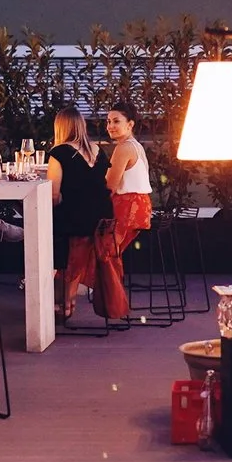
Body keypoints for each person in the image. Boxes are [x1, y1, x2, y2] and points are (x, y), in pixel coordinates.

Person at [47, 106, 115, 320]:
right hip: (102, 219)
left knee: (46, 231)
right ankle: (68, 301)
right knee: (70, 245)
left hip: (76, 220)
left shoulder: (59, 153)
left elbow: (53, 195)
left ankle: (61, 303)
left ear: (60, 127)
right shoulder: (97, 150)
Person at [100, 102, 153, 324]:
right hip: (140, 206)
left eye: (116, 121)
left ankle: (114, 305)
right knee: (109, 250)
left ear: (130, 124)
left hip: (128, 206)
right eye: (108, 122)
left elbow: (109, 185)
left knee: (103, 249)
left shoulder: (123, 148)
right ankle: (112, 303)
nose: (110, 126)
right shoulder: (136, 146)